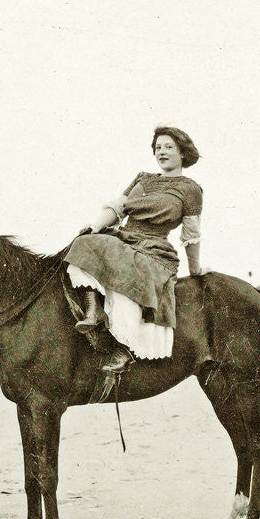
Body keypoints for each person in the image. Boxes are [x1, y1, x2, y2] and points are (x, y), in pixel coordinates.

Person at [64, 126, 210, 374]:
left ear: (183, 153)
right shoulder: (143, 178)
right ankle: (94, 310)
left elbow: (191, 234)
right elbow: (117, 207)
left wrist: (195, 269)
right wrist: (94, 225)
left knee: (125, 271)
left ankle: (123, 347)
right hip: (122, 239)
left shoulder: (190, 189)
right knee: (81, 243)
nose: (161, 152)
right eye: (158, 148)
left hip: (154, 250)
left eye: (168, 147)